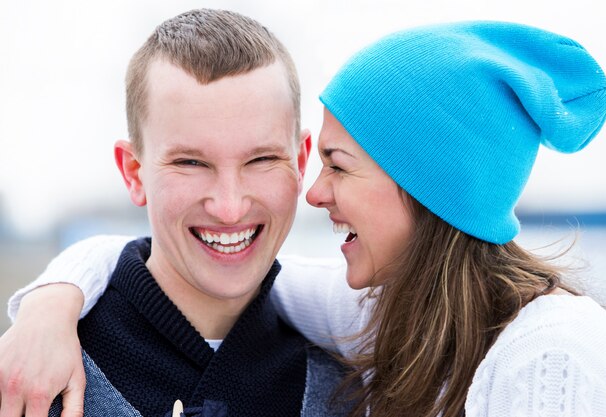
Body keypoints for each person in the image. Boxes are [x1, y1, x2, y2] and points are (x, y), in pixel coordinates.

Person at [4, 20, 606, 417]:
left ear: (426, 190)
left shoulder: (550, 352)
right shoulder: (378, 317)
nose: (315, 193)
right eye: (191, 162)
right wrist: (48, 305)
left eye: (336, 166)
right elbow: (203, 263)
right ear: (134, 172)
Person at [0, 8, 357, 417]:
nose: (229, 208)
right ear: (134, 172)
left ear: (299, 162)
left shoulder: (349, 392)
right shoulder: (31, 379)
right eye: (191, 163)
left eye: (260, 160)